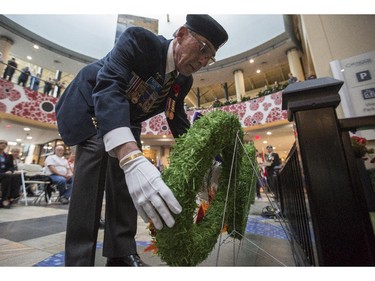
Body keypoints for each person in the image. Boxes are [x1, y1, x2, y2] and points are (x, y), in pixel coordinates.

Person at [55, 14, 228, 266]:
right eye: (202, 49)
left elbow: (176, 120)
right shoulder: (139, 40)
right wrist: (130, 157)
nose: (203, 60)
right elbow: (110, 86)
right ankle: (78, 262)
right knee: (90, 185)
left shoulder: (183, 79)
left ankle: (120, 254)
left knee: (127, 186)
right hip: (92, 105)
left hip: (127, 117)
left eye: (209, 56)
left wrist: (203, 160)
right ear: (180, 34)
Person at [0, 140, 21, 208]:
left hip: (5, 174)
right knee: (7, 176)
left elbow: (11, 167)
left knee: (16, 176)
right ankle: (4, 199)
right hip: (2, 173)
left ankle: (12, 197)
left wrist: (11, 171)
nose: (3, 144)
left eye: (5, 143)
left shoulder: (8, 156)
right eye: (1, 143)